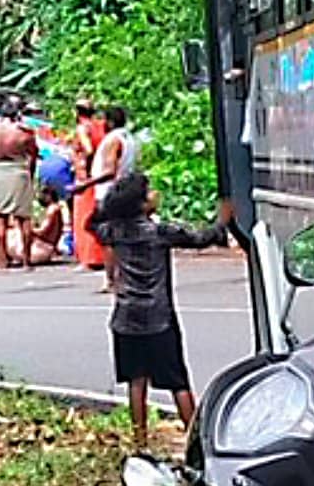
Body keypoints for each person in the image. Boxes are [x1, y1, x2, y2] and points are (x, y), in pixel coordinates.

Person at [91, 172, 232, 449]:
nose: (155, 194)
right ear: (141, 204)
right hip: (159, 317)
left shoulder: (114, 231)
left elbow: (92, 223)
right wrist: (222, 221)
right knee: (178, 381)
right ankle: (196, 444)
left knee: (136, 381)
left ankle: (140, 443)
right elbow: (201, 238)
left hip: (125, 317)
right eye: (149, 192)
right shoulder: (160, 233)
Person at [75, 105, 138, 291]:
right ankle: (124, 276)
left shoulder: (112, 140)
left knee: (107, 237)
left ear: (109, 122)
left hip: (109, 192)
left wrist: (86, 184)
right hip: (125, 189)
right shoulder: (128, 137)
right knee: (122, 235)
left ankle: (111, 279)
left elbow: (110, 171)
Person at [0, 102, 39, 269]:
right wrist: (31, 175)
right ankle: (27, 261)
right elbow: (33, 155)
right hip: (19, 170)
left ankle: (2, 261)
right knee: (24, 218)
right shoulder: (25, 133)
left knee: (0, 217)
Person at [73, 99, 107, 271]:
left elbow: (88, 149)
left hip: (85, 176)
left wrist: (85, 162)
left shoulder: (82, 128)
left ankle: (88, 258)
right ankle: (100, 256)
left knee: (84, 216)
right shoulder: (100, 126)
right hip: (100, 173)